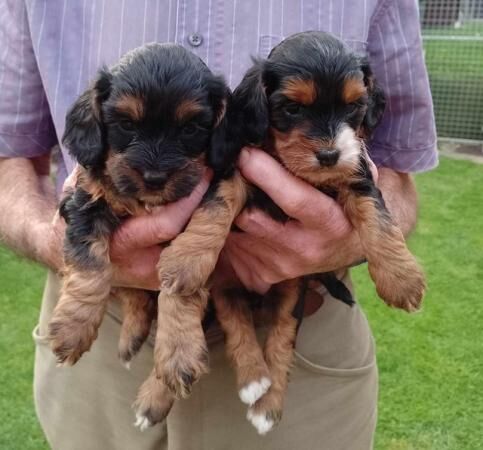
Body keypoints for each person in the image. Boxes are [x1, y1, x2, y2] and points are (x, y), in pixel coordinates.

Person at [0, 1, 437, 449]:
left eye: (193, 130)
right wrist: (53, 242)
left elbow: (397, 165)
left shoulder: (240, 137)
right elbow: (9, 154)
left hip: (301, 316)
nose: (154, 168)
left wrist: (349, 245)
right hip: (98, 322)